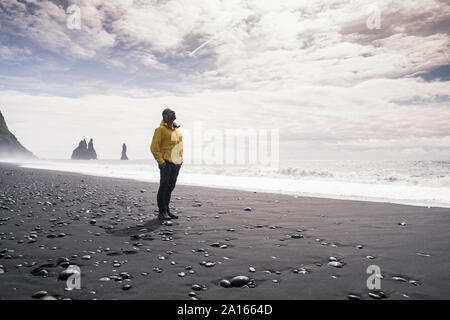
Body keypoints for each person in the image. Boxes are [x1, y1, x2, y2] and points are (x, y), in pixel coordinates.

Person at [150, 108, 183, 220]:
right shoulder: (160, 130)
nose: (173, 113)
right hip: (166, 163)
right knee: (164, 187)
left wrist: (180, 160)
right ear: (164, 115)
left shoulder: (177, 130)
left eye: (174, 112)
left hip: (176, 164)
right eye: (170, 112)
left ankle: (167, 210)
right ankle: (162, 212)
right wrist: (161, 162)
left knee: (170, 187)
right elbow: (154, 148)